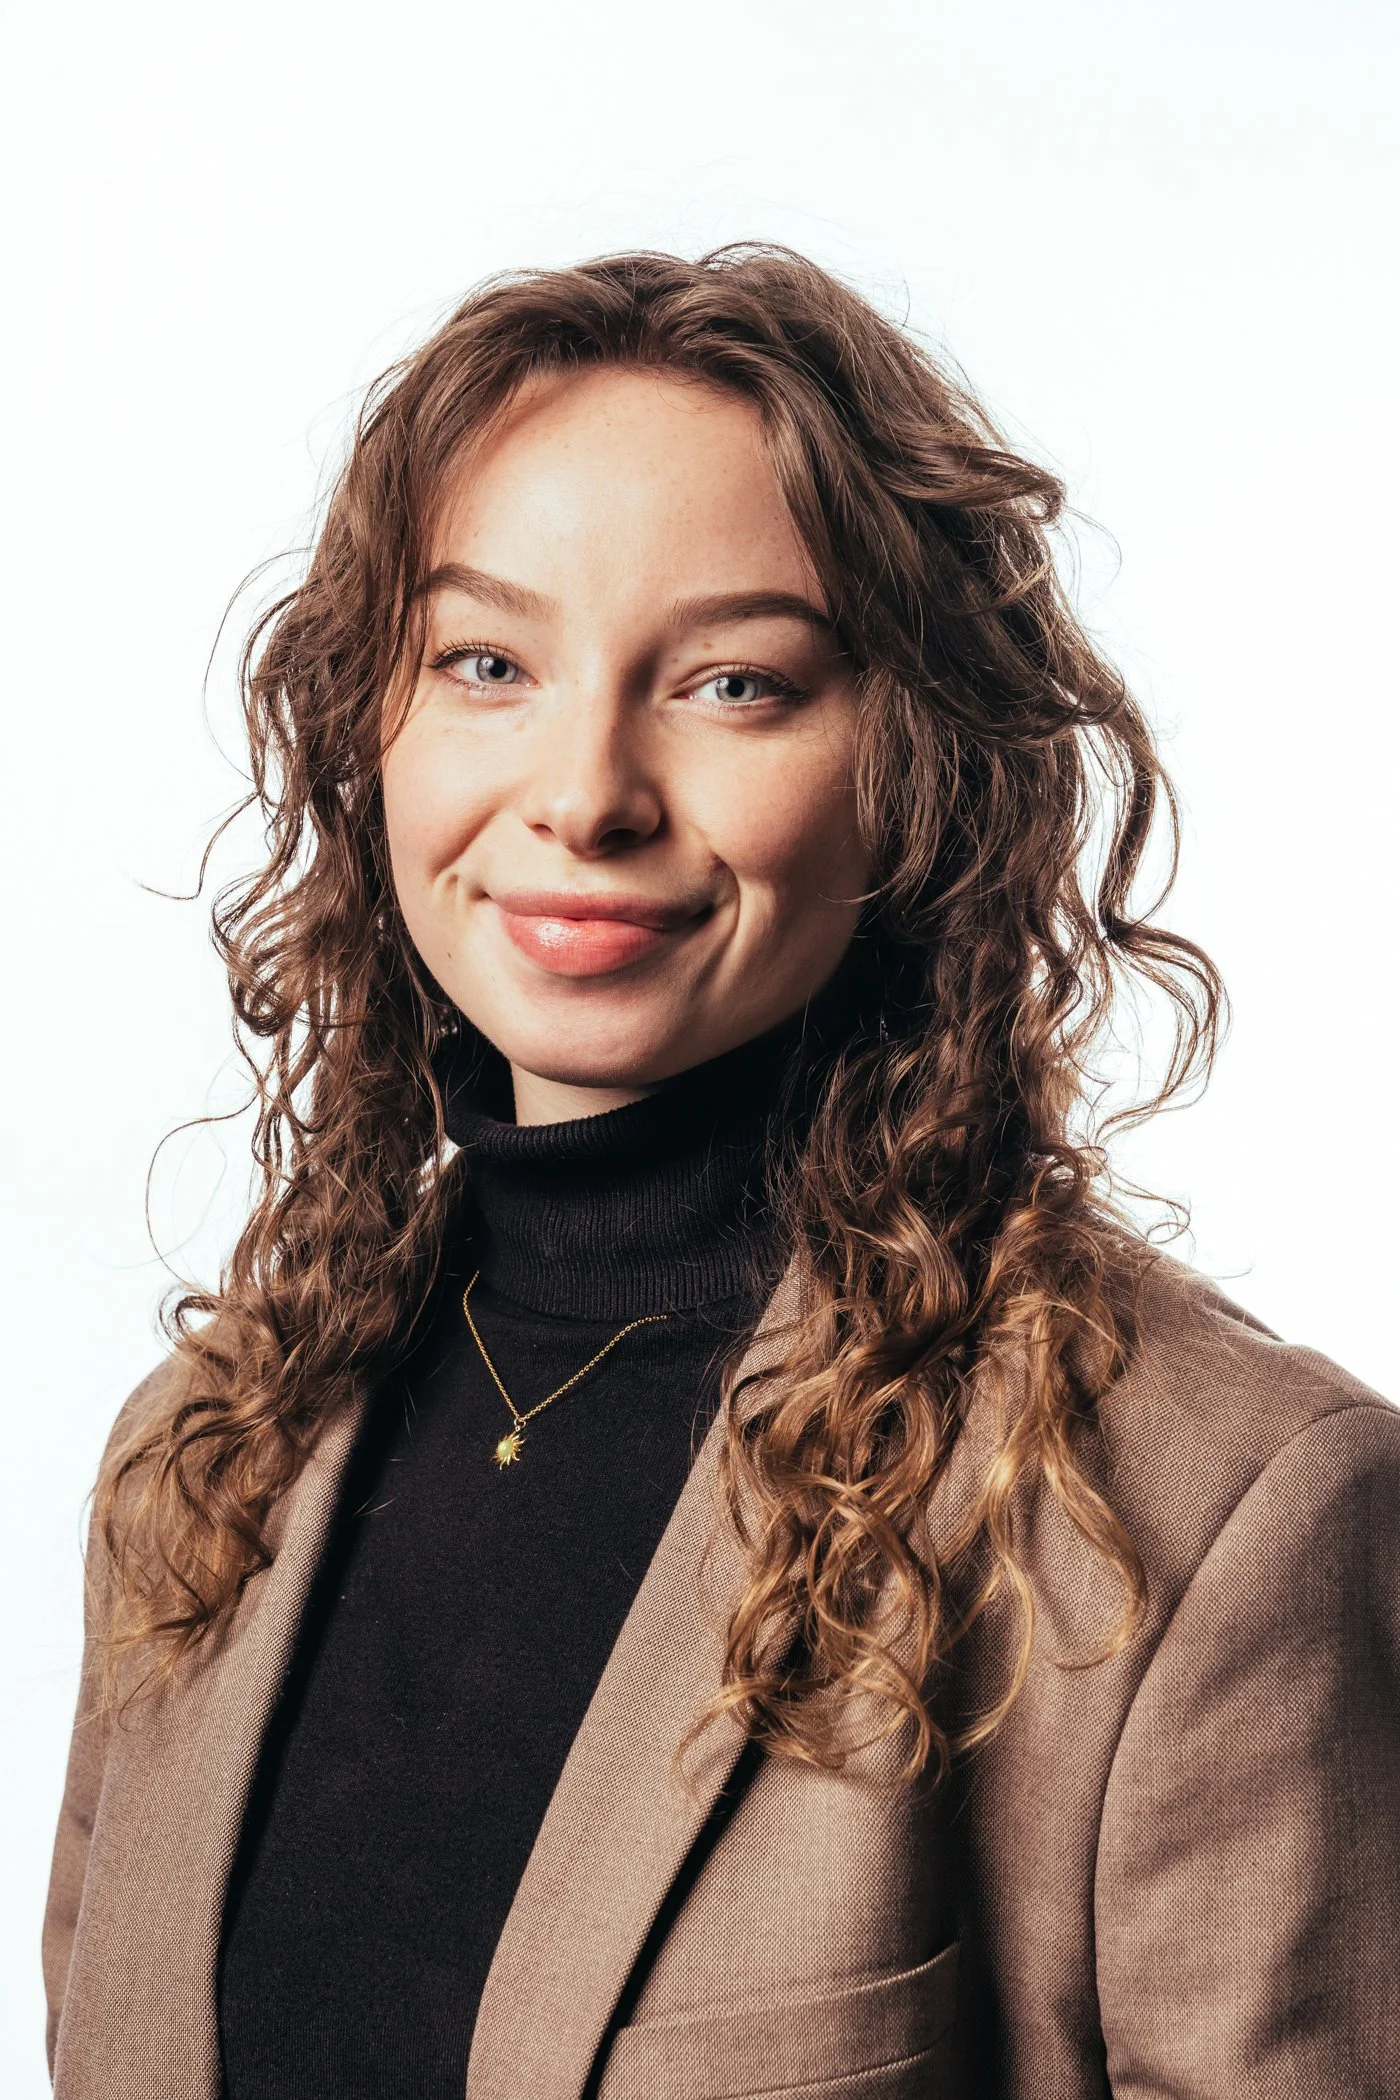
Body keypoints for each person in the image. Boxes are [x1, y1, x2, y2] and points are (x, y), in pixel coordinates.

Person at [43, 246, 1399, 2100]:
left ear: (920, 770)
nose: (585, 788)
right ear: (375, 723)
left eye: (736, 684)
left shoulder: (1207, 1517)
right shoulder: (203, 1463)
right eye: (489, 661)